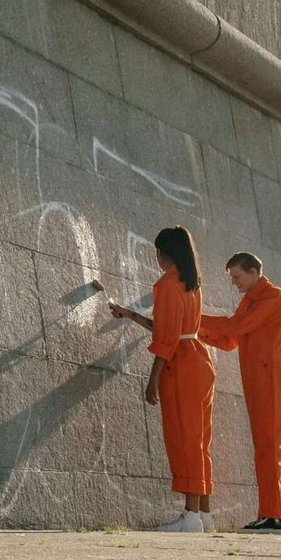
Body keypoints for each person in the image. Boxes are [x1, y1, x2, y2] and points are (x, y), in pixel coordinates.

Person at [199, 253, 281, 534]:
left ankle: (272, 516)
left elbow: (236, 327)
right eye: (232, 278)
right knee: (270, 448)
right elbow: (231, 341)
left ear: (253, 272)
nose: (234, 283)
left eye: (237, 277)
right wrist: (197, 329)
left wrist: (193, 316)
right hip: (258, 379)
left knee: (268, 447)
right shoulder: (252, 300)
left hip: (270, 379)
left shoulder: (273, 297)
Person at [108, 226, 216, 532]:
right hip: (199, 360)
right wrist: (129, 314)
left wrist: (152, 379)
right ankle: (204, 514)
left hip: (181, 366)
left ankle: (190, 516)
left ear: (164, 253)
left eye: (157, 251)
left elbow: (166, 340)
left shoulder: (168, 285)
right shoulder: (191, 282)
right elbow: (170, 328)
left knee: (184, 439)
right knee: (200, 439)